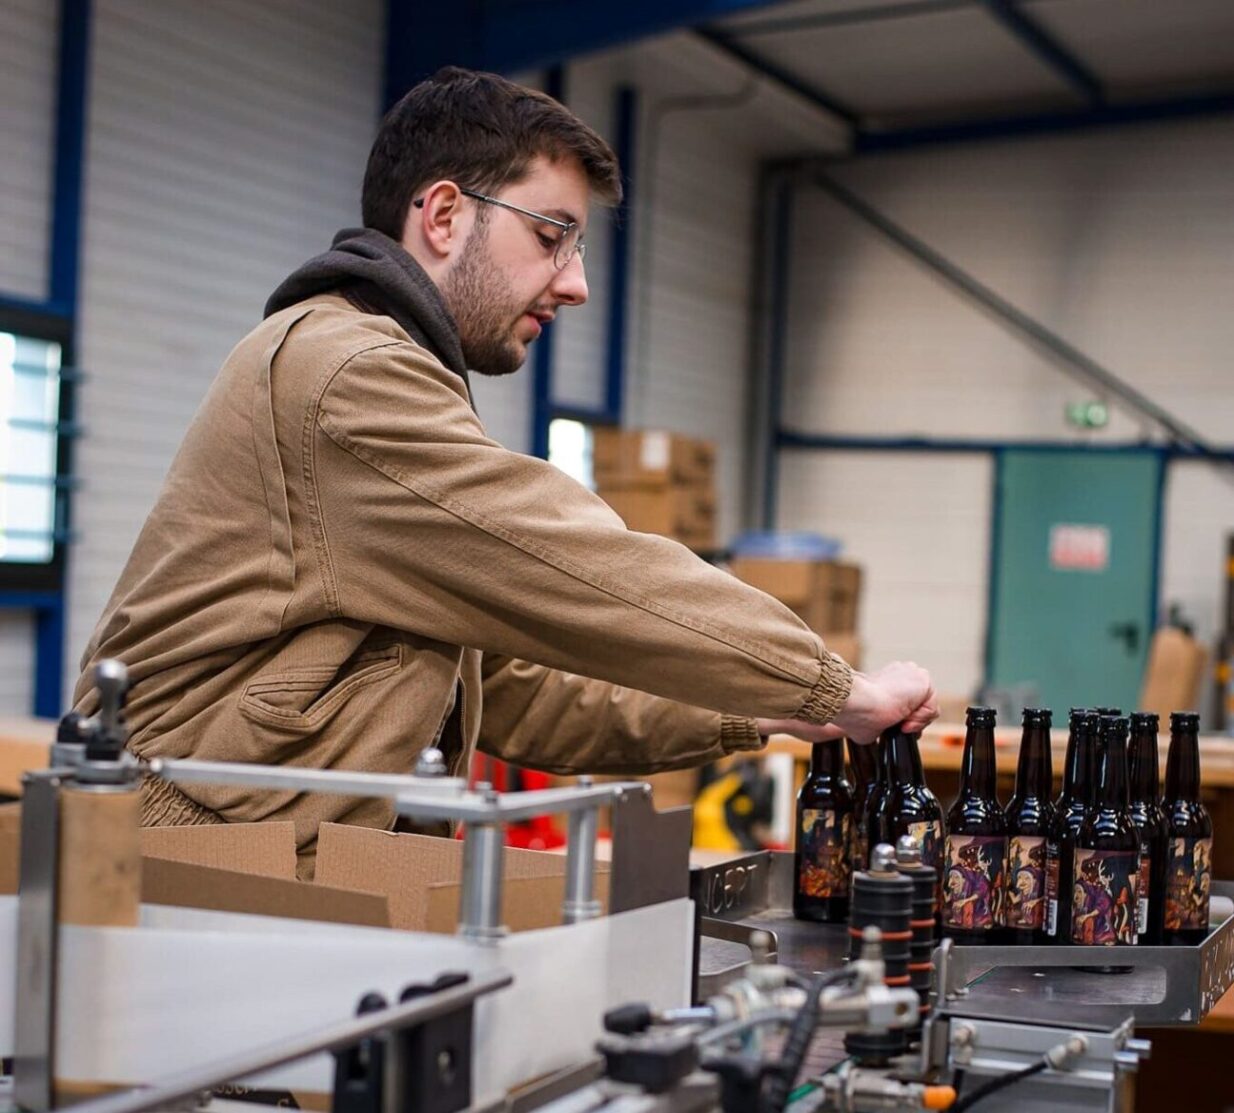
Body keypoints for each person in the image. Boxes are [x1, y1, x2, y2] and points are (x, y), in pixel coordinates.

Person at [73, 67, 937, 873]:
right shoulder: (348, 377)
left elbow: (520, 690)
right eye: (553, 236)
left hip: (277, 859)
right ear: (444, 216)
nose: (578, 285)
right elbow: (585, 568)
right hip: (189, 870)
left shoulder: (385, 370)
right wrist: (836, 685)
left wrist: (765, 710)